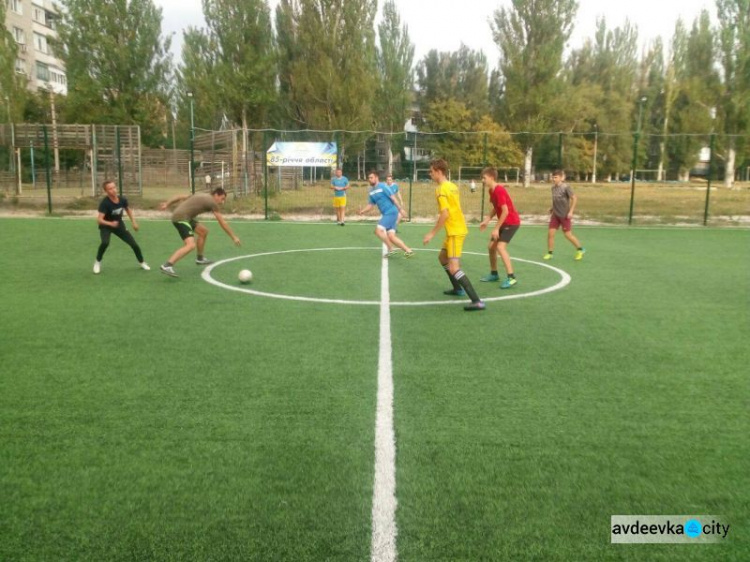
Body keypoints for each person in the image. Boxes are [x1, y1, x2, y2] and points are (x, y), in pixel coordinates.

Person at [423, 158, 485, 311]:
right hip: (455, 229)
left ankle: (477, 301)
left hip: (455, 232)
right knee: (442, 258)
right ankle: (457, 288)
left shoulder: (441, 190)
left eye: (431, 171)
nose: (430, 174)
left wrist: (431, 233)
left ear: (438, 172)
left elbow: (444, 214)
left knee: (454, 268)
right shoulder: (452, 186)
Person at [158, 187, 241, 278]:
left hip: (184, 217)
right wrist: (234, 237)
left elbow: (179, 196)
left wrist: (167, 204)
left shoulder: (202, 195)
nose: (222, 202)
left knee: (203, 231)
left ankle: (200, 258)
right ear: (216, 195)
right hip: (181, 218)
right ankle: (167, 265)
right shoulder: (212, 202)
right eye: (222, 198)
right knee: (190, 245)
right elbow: (222, 222)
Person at [93, 180, 150, 274]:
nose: (113, 190)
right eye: (110, 189)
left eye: (114, 187)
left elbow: (128, 210)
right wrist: (110, 224)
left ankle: (142, 262)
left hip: (119, 225)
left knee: (134, 244)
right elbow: (99, 220)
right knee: (105, 243)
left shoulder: (122, 199)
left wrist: (134, 222)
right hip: (106, 226)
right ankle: (97, 262)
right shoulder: (105, 203)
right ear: (106, 191)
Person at [478, 167, 521, 289]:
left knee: (500, 248)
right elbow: (496, 208)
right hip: (504, 222)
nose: (482, 180)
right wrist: (487, 220)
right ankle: (494, 274)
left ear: (491, 177)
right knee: (491, 247)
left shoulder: (499, 190)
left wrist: (496, 228)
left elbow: (505, 211)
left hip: (512, 223)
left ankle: (511, 277)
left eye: (484, 178)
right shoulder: (491, 191)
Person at [358, 171, 414, 258]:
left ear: (377, 178)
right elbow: (371, 205)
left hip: (391, 212)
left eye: (371, 177)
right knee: (391, 236)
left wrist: (401, 209)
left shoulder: (383, 186)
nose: (369, 179)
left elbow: (393, 198)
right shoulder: (371, 191)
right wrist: (362, 211)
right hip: (386, 214)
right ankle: (408, 251)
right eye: (369, 178)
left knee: (378, 231)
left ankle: (391, 249)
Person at [544, 170, 585, 261]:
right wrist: (552, 208)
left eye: (556, 177)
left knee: (568, 235)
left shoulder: (566, 187)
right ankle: (550, 253)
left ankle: (580, 249)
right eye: (553, 177)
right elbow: (556, 200)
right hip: (555, 215)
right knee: (550, 234)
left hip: (564, 215)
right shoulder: (553, 188)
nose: (554, 179)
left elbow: (574, 198)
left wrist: (571, 211)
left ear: (562, 178)